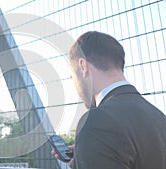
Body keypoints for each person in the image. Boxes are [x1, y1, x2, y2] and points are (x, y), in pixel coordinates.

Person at [52, 31, 166, 169]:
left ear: (83, 66)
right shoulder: (159, 116)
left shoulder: (97, 122)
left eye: (72, 77)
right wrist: (86, 154)